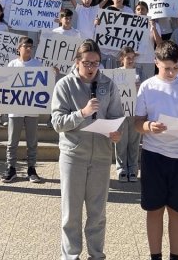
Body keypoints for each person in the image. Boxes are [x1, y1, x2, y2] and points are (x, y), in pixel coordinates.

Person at [51, 39, 124, 260]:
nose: (91, 68)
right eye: (87, 63)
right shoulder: (65, 85)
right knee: (71, 214)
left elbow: (116, 116)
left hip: (101, 156)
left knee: (97, 213)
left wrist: (116, 133)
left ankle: (96, 255)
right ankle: (70, 256)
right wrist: (82, 113)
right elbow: (57, 123)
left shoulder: (108, 85)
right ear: (77, 61)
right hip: (73, 156)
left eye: (95, 63)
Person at [135, 40, 178, 260]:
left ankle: (176, 257)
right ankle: (155, 256)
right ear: (156, 62)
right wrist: (149, 126)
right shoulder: (147, 87)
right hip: (153, 155)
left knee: (177, 211)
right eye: (167, 68)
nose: (172, 72)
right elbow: (137, 123)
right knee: (154, 210)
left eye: (175, 67)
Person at [1, 36, 45, 184]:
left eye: (31, 46)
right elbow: (5, 82)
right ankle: (11, 168)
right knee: (12, 142)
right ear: (18, 48)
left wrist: (52, 73)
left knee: (32, 141)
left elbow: (44, 83)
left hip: (32, 108)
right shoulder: (12, 64)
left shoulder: (38, 64)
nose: (28, 49)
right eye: (26, 46)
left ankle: (31, 169)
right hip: (15, 109)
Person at [115, 46, 141, 182]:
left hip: (134, 112)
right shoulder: (115, 74)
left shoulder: (138, 74)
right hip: (120, 112)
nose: (130, 60)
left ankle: (133, 169)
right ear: (122, 59)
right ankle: (121, 169)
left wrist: (138, 88)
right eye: (128, 58)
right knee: (121, 142)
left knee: (134, 142)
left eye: (132, 58)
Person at [135, 0, 162, 80]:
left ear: (147, 11)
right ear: (135, 11)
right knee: (134, 85)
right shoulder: (130, 25)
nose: (140, 11)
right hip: (134, 61)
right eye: (138, 9)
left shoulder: (155, 25)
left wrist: (153, 28)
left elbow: (159, 43)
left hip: (148, 61)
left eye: (143, 9)